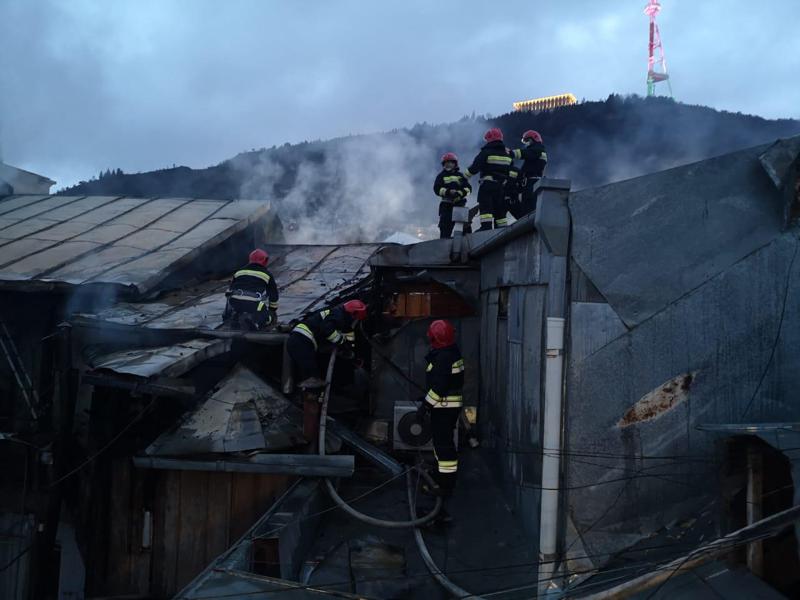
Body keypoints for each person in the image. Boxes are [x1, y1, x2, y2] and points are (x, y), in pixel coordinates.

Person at [418, 319, 464, 522]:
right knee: (441, 443)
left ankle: (445, 485)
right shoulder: (450, 352)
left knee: (444, 446)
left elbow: (439, 387)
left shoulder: (444, 357)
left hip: (444, 406)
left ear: (434, 338)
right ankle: (440, 475)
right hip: (447, 406)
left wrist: (425, 406)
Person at [287, 299, 368, 389]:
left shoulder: (340, 319)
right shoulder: (338, 315)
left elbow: (348, 338)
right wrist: (341, 341)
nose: (355, 322)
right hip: (301, 340)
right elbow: (327, 330)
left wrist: (349, 350)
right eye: (356, 319)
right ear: (353, 314)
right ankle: (309, 395)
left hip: (301, 340)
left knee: (310, 371)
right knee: (310, 374)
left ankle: (309, 393)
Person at [463, 128, 513, 230]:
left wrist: (464, 177)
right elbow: (511, 170)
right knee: (500, 212)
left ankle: (486, 230)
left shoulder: (486, 152)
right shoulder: (508, 154)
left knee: (486, 210)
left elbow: (475, 167)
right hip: (502, 188)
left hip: (488, 186)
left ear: (489, 139)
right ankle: (502, 232)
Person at [224, 249, 279, 330]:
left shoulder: (239, 271)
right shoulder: (267, 275)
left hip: (234, 302)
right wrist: (272, 310)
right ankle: (255, 320)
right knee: (267, 319)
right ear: (264, 261)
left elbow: (231, 289)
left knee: (237, 306)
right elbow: (273, 294)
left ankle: (236, 317)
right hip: (252, 304)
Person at [432, 152, 472, 238]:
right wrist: (448, 192)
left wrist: (460, 193)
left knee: (466, 230)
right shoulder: (441, 176)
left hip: (460, 206)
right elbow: (437, 189)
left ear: (455, 164)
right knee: (445, 230)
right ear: (443, 164)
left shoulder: (460, 176)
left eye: (450, 162)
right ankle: (444, 248)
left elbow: (468, 189)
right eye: (446, 163)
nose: (448, 164)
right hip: (446, 207)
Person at [510, 130, 547, 218]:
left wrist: (510, 153)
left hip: (532, 183)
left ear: (534, 139)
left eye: (527, 141)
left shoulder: (538, 149)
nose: (526, 144)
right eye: (525, 141)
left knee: (528, 208)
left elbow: (525, 153)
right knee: (525, 206)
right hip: (531, 183)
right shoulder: (536, 151)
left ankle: (527, 225)